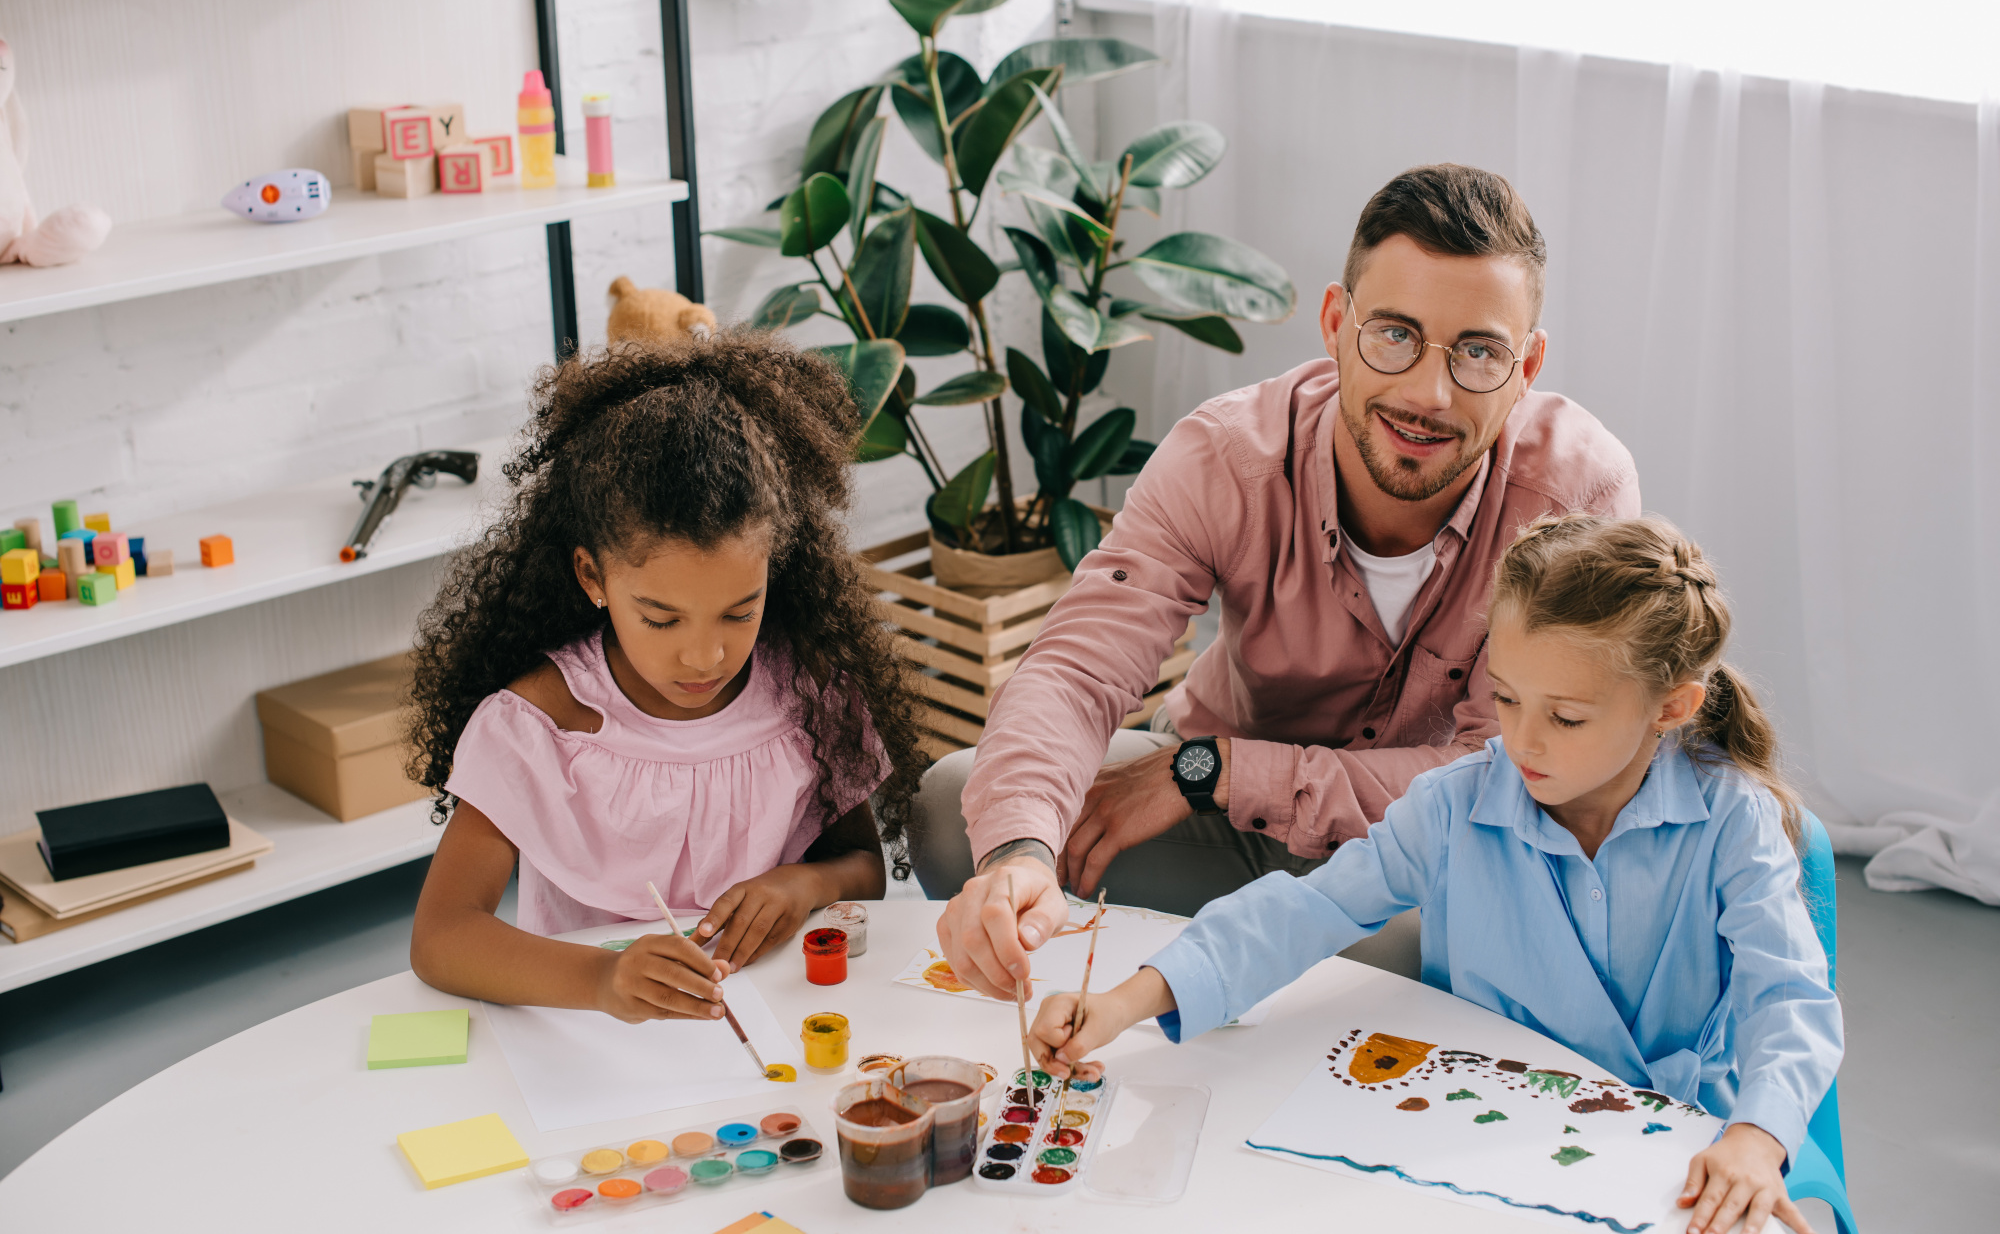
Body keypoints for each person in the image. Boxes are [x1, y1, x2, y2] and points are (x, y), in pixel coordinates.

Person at [923, 163, 1640, 999]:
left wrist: (1215, 768)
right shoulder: (1225, 456)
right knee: (954, 811)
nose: (1427, 394)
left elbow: (1499, 775)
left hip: (1421, 846)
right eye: (1394, 335)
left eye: (1478, 352)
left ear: (1527, 367)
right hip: (1214, 817)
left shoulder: (1578, 493)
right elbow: (1076, 670)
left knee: (1436, 959)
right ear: (1337, 323)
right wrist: (1019, 856)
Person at [1029, 515, 1839, 1234]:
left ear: (1670, 707)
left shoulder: (1732, 818)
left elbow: (1790, 996)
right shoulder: (1456, 804)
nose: (1522, 742)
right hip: (1487, 1143)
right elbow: (1302, 914)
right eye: (1508, 698)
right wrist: (1126, 1001)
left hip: (1689, 1144)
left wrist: (1754, 1139)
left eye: (1565, 717)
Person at [405, 331, 924, 1023]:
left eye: (740, 612)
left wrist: (801, 884)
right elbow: (440, 938)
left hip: (770, 1026)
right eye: (661, 619)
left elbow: (864, 866)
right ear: (594, 577)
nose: (705, 657)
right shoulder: (537, 725)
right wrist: (601, 978)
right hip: (588, 1040)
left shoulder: (807, 692)